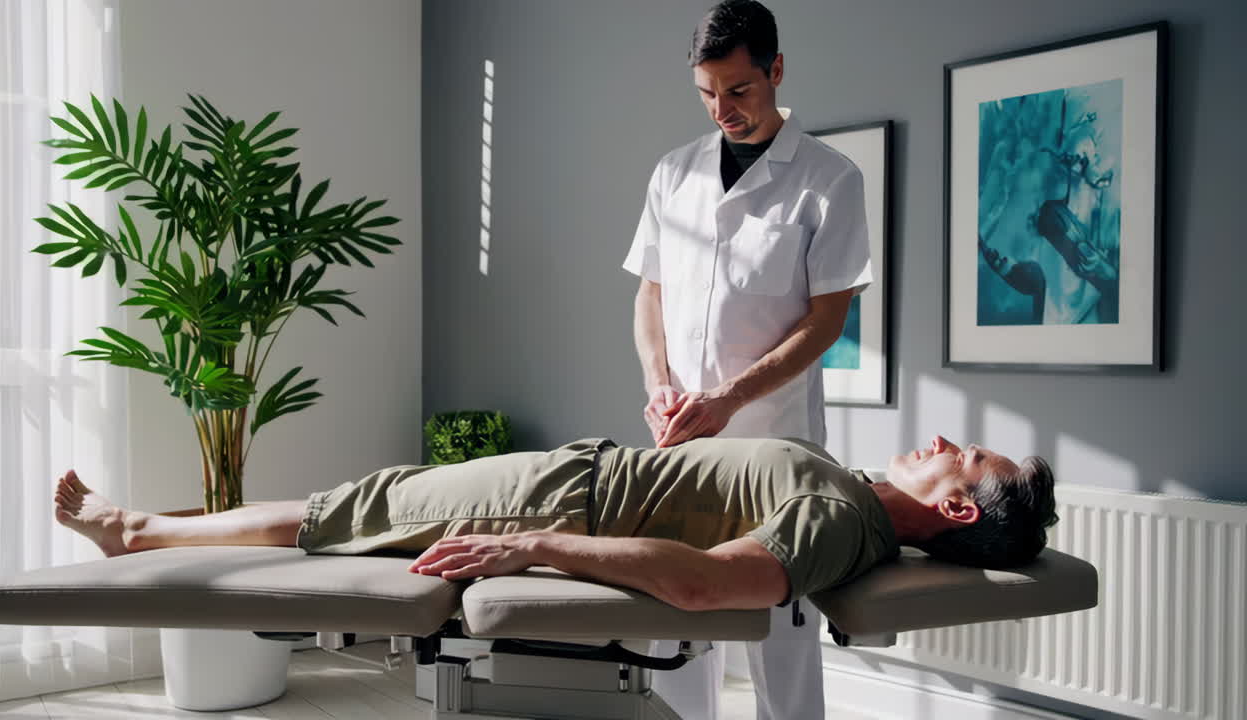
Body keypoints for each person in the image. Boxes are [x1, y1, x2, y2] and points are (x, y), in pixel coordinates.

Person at [55, 436, 1058, 615]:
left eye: (959, 453)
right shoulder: (845, 501)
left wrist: (527, 545)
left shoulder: (842, 522)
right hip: (570, 481)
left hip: (552, 504)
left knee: (346, 513)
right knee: (354, 506)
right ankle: (140, 527)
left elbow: (716, 582)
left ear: (954, 508)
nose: (936, 438)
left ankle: (136, 532)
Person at [622, 1, 872, 716]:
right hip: (680, 438)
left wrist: (728, 399)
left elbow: (826, 323)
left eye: (739, 91)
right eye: (706, 93)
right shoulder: (673, 174)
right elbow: (650, 295)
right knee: (677, 616)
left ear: (777, 70)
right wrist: (659, 381)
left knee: (780, 633)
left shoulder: (831, 180)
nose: (722, 110)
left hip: (777, 445)